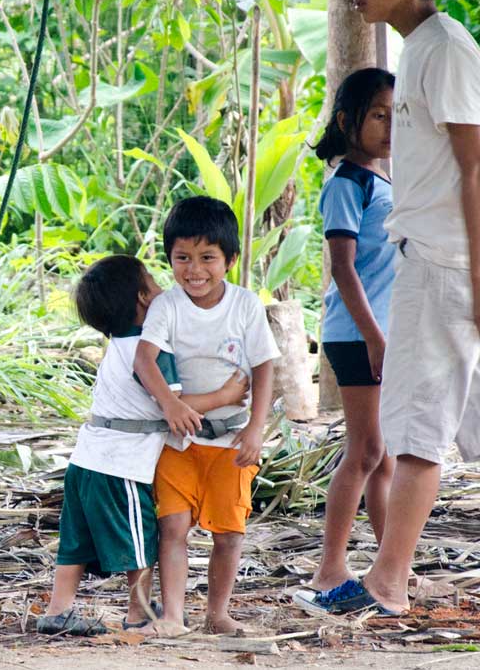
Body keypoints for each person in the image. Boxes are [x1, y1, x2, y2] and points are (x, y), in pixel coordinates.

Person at [300, 0, 480, 616]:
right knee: (401, 438)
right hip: (418, 276)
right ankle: (381, 572)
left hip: (446, 267)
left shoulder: (447, 48)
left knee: (414, 437)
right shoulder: (423, 50)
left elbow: (473, 165)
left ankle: (386, 578)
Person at [38, 255, 248, 635]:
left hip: (85, 459)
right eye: (152, 282)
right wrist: (225, 394)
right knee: (143, 541)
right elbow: (177, 407)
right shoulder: (152, 350)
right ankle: (139, 612)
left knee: (75, 539)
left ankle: (59, 608)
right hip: (123, 465)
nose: (162, 288)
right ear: (143, 299)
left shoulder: (117, 344)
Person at [133, 196, 280, 636]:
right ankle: (175, 616)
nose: (194, 270)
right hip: (178, 441)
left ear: (230, 260)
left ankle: (217, 614)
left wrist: (256, 427)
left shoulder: (245, 305)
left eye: (207, 258)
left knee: (230, 533)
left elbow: (264, 367)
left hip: (231, 442)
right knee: (172, 526)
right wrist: (171, 405)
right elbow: (144, 360)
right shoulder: (168, 306)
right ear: (170, 259)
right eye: (182, 258)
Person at [295, 68, 398, 601]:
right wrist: (375, 336)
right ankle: (329, 569)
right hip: (358, 332)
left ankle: (390, 566)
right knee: (363, 450)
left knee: (387, 453)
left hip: (384, 332)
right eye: (377, 115)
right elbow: (343, 267)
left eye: (394, 115)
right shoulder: (346, 182)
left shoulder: (384, 178)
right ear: (346, 120)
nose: (388, 126)